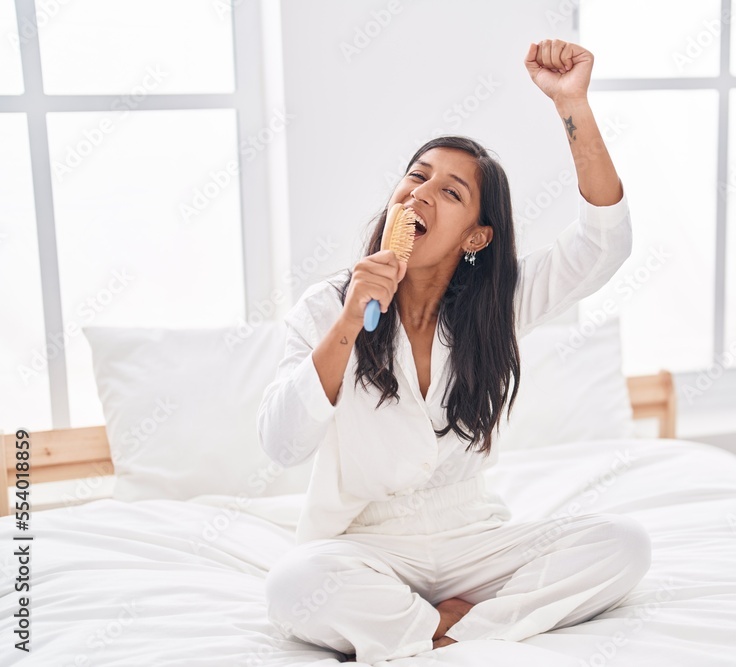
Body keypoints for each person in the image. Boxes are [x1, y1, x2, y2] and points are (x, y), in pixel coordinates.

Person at [258, 39, 651, 664]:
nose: (420, 193)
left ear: (476, 236)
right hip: (367, 542)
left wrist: (571, 105)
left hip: (472, 538)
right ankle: (456, 625)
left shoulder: (499, 305)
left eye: (450, 192)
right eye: (417, 177)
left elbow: (604, 245)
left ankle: (442, 630)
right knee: (293, 586)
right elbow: (282, 444)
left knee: (623, 544)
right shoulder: (325, 306)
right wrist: (350, 319)